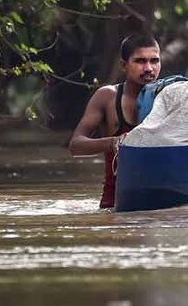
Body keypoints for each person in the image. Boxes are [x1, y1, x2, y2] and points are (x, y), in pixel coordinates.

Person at [69, 33, 161, 209]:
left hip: (160, 204)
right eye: (140, 61)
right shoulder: (107, 97)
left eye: (154, 61)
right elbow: (76, 145)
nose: (149, 68)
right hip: (115, 206)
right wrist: (115, 142)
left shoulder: (171, 96)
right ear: (123, 65)